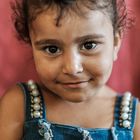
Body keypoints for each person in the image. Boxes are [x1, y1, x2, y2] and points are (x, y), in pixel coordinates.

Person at [0, 0, 140, 139]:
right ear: (31, 45)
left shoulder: (134, 117)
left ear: (115, 43)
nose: (72, 68)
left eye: (89, 45)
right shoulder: (18, 105)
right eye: (52, 49)